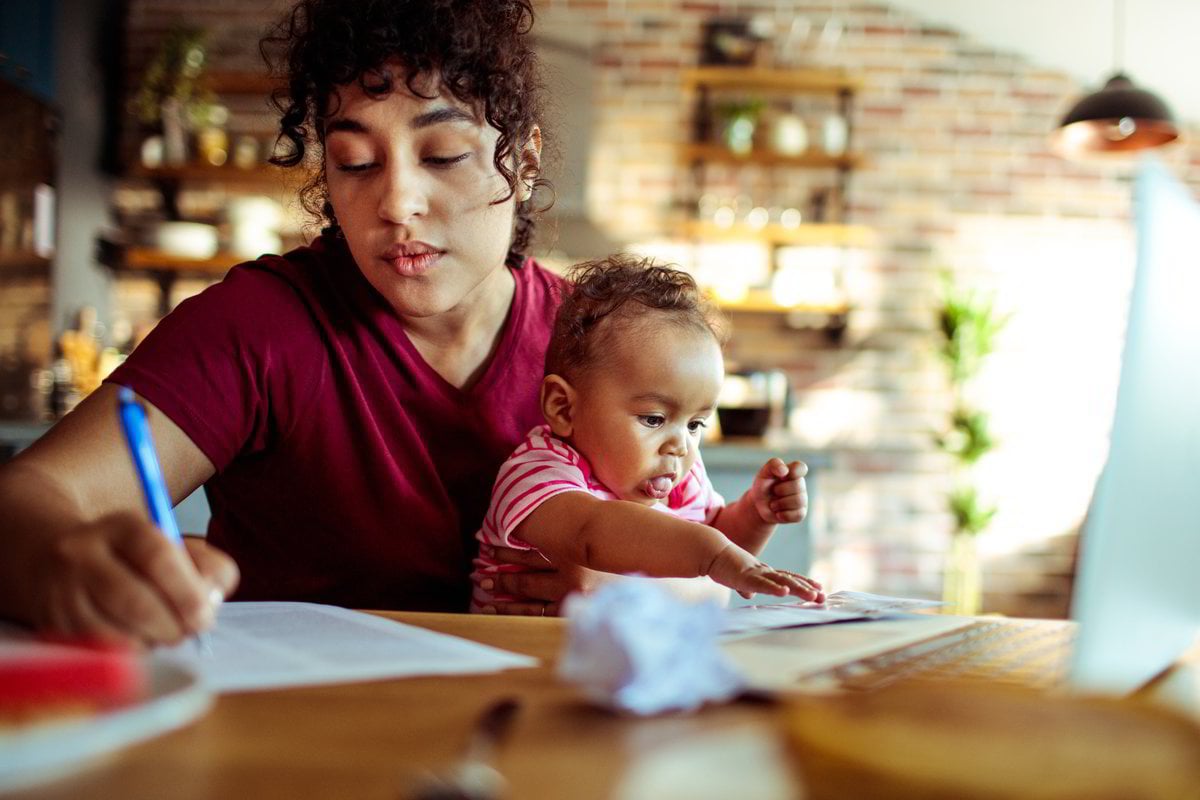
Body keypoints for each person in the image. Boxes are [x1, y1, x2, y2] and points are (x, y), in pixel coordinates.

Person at [0, 0, 589, 645]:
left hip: (539, 731)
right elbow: (29, 500)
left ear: (525, 162)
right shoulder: (260, 325)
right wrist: (60, 567)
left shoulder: (597, 337)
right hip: (286, 730)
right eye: (357, 162)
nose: (396, 203)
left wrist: (674, 583)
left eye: (443, 154)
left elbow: (704, 527)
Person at [472, 256, 825, 614]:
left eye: (694, 425)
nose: (680, 445)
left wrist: (755, 515)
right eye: (654, 419)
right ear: (564, 408)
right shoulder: (539, 472)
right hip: (517, 654)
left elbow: (724, 554)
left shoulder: (681, 481)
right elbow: (592, 534)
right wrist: (714, 555)